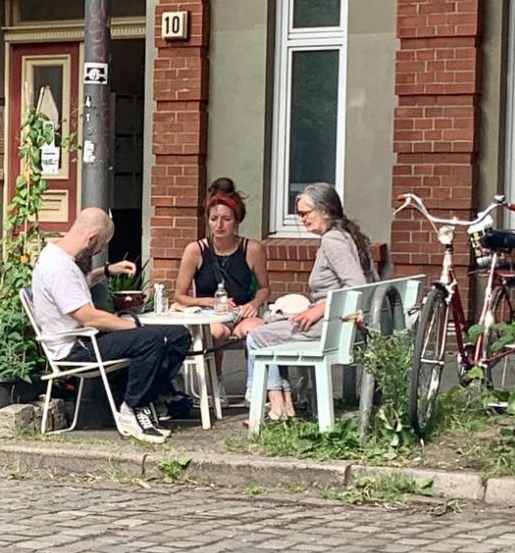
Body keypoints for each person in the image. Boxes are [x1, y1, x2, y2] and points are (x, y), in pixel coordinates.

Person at [31, 207, 192, 444]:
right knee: (151, 339)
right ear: (91, 239)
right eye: (102, 245)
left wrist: (105, 271)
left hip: (86, 339)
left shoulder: (63, 258)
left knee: (179, 335)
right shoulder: (57, 268)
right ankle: (133, 408)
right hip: (76, 347)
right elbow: (90, 318)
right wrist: (135, 328)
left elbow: (78, 286)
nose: (100, 250)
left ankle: (149, 399)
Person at [246, 182, 378, 420]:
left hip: (332, 327)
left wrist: (319, 310)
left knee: (256, 337)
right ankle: (285, 404)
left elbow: (357, 286)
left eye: (305, 213)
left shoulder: (333, 241)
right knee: (274, 321)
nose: (301, 219)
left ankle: (276, 406)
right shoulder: (348, 236)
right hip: (338, 324)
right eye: (299, 214)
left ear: (325, 210)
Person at [174, 177, 269, 354]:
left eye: (226, 219)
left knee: (254, 330)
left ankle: (255, 380)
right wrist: (209, 301)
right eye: (213, 219)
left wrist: (254, 304)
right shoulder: (195, 250)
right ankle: (215, 380)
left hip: (241, 312)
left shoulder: (252, 249)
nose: (219, 225)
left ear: (236, 221)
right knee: (216, 332)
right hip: (210, 314)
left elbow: (264, 288)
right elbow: (179, 296)